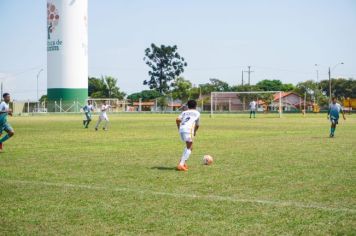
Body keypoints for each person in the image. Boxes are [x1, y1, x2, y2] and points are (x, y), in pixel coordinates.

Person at [175, 100, 200, 171]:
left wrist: (179, 128)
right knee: (190, 147)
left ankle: (182, 162)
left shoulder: (184, 112)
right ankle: (181, 164)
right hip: (189, 130)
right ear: (196, 106)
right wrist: (195, 132)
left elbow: (177, 120)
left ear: (188, 106)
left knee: (188, 146)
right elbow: (197, 125)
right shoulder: (197, 113)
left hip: (182, 129)